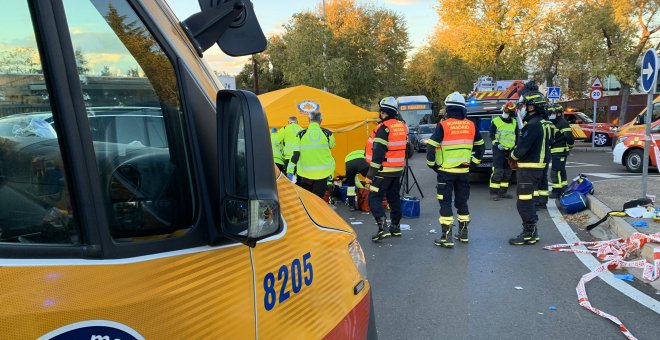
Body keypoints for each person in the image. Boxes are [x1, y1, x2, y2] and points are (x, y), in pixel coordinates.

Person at [426, 92, 485, 248]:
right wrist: (473, 163)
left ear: (448, 108)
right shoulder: (471, 125)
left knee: (445, 203)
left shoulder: (443, 125)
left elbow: (431, 146)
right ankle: (463, 234)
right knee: (462, 203)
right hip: (464, 172)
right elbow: (481, 146)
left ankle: (446, 237)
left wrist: (432, 164)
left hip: (445, 172)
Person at [508, 89, 551, 246]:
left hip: (528, 169)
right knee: (530, 200)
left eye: (525, 105)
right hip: (537, 169)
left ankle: (529, 233)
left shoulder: (532, 125)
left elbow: (522, 147)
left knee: (524, 202)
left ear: (533, 107)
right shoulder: (544, 124)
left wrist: (512, 157)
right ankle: (532, 231)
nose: (523, 108)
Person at [366, 97, 408, 241]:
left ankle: (382, 228)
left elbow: (378, 152)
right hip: (397, 170)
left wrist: (370, 175)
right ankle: (395, 227)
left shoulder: (383, 128)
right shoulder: (402, 126)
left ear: (383, 112)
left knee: (374, 198)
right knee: (394, 197)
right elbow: (408, 149)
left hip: (383, 171)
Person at [287, 111, 335, 198]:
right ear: (321, 120)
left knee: (307, 200)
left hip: (306, 174)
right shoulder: (328, 134)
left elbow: (295, 155)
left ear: (309, 120)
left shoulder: (301, 134)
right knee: (318, 201)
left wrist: (290, 171)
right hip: (322, 174)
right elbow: (331, 145)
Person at [489, 101, 518, 201]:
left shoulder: (514, 122)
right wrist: (497, 144)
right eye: (505, 110)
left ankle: (503, 192)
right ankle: (494, 193)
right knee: (498, 172)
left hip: (510, 151)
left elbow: (517, 137)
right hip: (499, 150)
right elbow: (491, 135)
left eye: (508, 111)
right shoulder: (496, 121)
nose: (505, 112)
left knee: (507, 172)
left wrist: (516, 148)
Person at [548, 104, 575, 198]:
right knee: (561, 170)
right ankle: (563, 188)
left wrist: (570, 146)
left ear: (559, 113)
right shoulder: (554, 122)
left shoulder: (562, 123)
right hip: (556, 151)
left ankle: (556, 191)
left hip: (560, 151)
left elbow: (569, 137)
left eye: (553, 113)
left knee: (556, 172)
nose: (551, 115)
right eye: (550, 113)